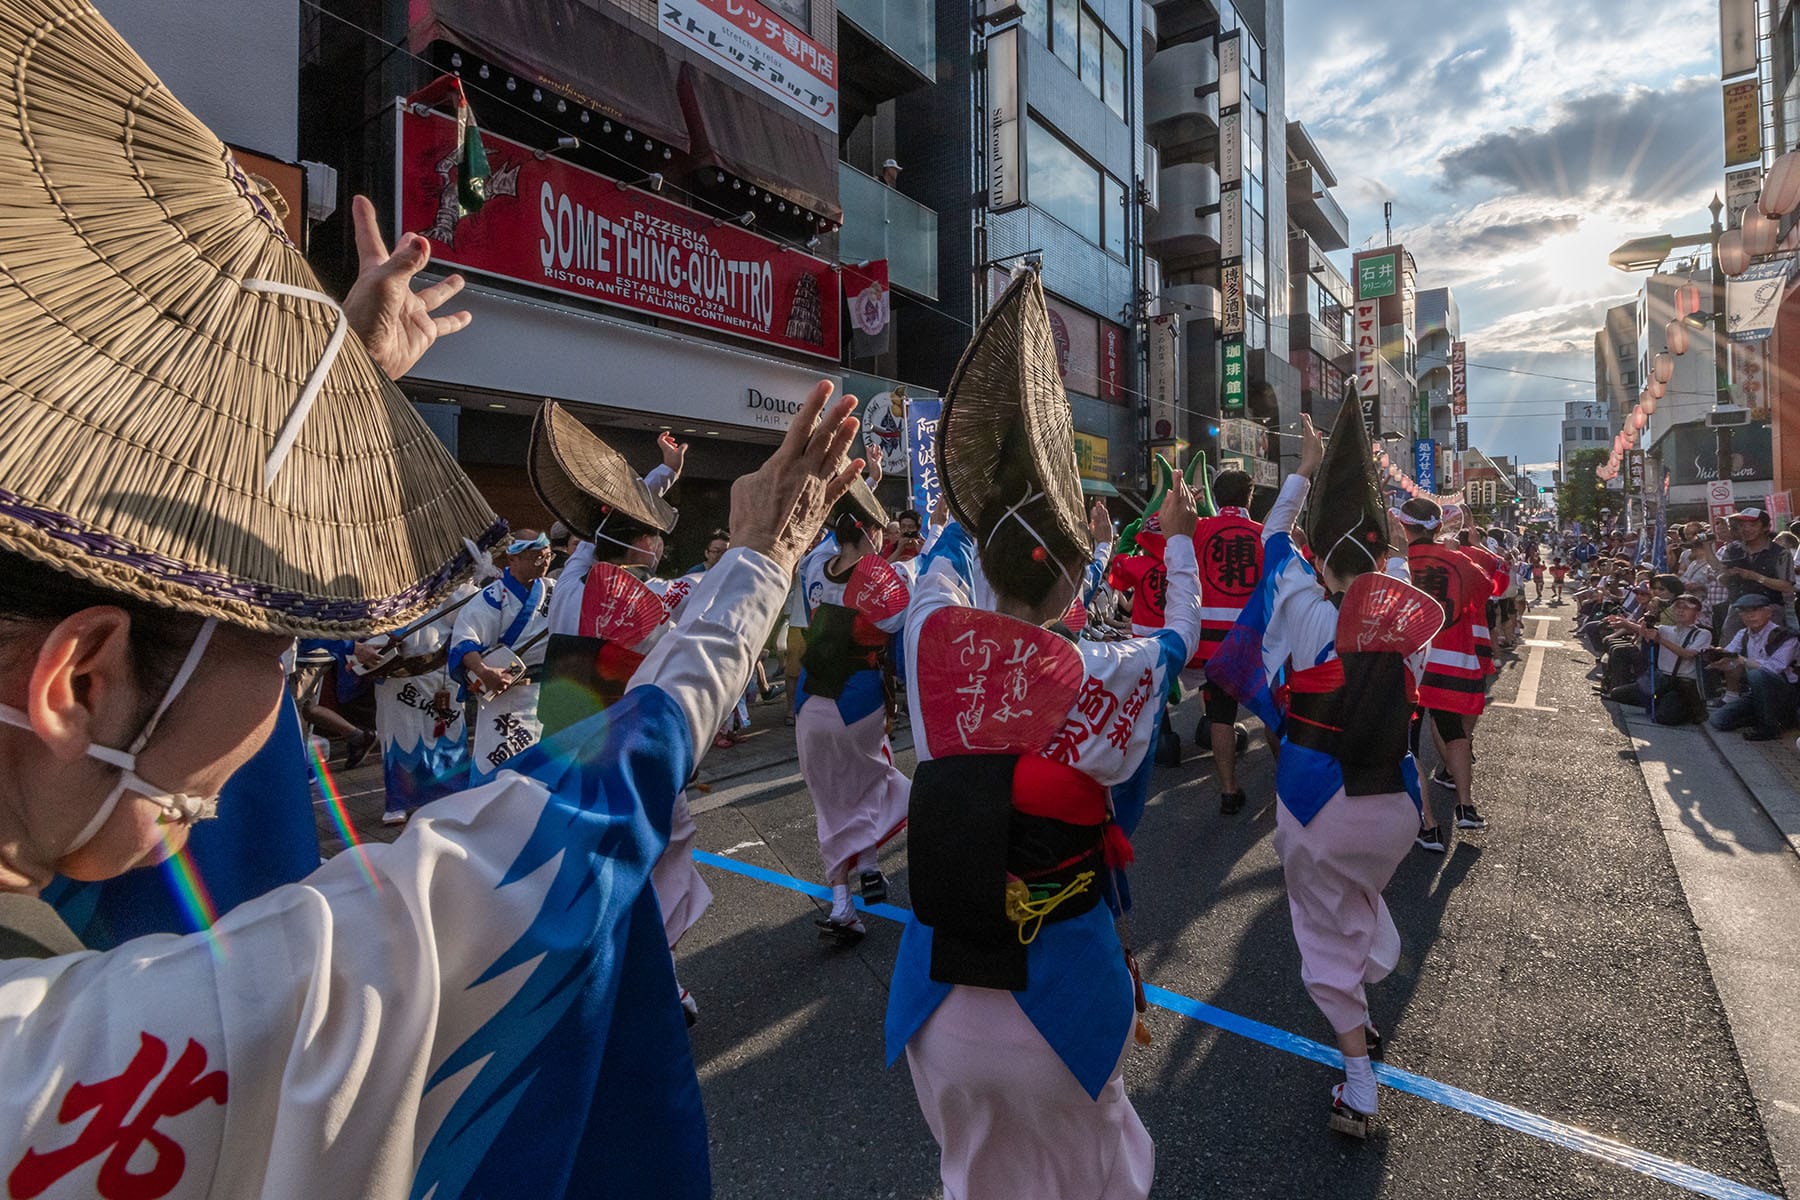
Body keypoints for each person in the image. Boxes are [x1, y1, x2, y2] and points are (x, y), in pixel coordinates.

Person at [0, 11, 867, 1191]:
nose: (302, 670)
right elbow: (542, 844)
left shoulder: (80, 827)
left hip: (505, 738)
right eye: (286, 636)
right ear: (77, 679)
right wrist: (760, 557)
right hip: (494, 748)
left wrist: (337, 391)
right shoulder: (121, 1047)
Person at [887, 270, 1199, 1198]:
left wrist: (976, 509)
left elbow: (943, 560)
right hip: (1061, 1001)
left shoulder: (928, 637)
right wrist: (1173, 537)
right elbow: (1181, 638)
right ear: (1075, 584)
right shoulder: (1118, 672)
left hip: (934, 1000)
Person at [1214, 398, 1440, 1137]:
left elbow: (1275, 536)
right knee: (1354, 905)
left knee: (1319, 938)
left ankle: (1359, 1081)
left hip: (1319, 804)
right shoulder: (1410, 618)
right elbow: (1390, 562)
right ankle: (1363, 990)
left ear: (1318, 551)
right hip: (1398, 803)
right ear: (1383, 553)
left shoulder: (1304, 602)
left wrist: (1307, 473)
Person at [794, 479, 912, 940]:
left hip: (810, 699)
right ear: (867, 531)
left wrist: (855, 495)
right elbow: (898, 627)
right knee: (870, 780)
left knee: (831, 799)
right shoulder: (889, 578)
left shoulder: (813, 568)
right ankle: (858, 881)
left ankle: (852, 885)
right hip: (858, 698)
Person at [352, 579, 480, 825]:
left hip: (437, 672)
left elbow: (468, 615)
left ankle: (452, 794)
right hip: (394, 674)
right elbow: (353, 629)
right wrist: (358, 648)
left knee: (446, 733)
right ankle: (399, 800)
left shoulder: (442, 581)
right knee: (399, 736)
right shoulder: (372, 585)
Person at [1405, 503, 1493, 851]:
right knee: (1453, 730)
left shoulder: (1394, 563)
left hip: (1409, 664)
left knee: (1408, 741)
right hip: (1451, 660)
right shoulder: (1459, 560)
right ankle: (1466, 805)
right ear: (1439, 525)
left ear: (1403, 525)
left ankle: (1427, 825)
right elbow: (1485, 590)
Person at [1188, 466, 1270, 814]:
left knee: (1220, 714)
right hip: (1257, 640)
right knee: (1273, 712)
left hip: (1213, 643)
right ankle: (1287, 786)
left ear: (1215, 498)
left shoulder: (1199, 530)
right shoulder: (1266, 534)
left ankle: (1228, 790)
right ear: (1250, 497)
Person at [449, 530, 556, 782]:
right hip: (504, 691)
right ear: (512, 560)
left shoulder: (555, 590)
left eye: (547, 557)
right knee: (499, 759)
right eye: (536, 558)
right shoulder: (491, 597)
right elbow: (465, 641)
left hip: (545, 693)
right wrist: (485, 672)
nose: (545, 563)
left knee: (539, 767)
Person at [1607, 595, 1711, 725]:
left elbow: (1688, 654)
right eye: (1678, 607)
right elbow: (1645, 632)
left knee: (1665, 718)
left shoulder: (1702, 633)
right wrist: (1630, 624)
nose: (1680, 611)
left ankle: (1687, 709)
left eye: (1686, 608)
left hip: (1682, 684)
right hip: (1660, 679)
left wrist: (1660, 640)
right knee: (1617, 694)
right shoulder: (1664, 629)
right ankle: (1658, 701)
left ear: (1697, 613)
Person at [1708, 594, 1800, 740]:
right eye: (1744, 611)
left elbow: (1773, 668)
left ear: (1768, 613)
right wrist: (1720, 661)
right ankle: (1763, 717)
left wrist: (1740, 660)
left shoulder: (1786, 636)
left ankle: (1769, 727)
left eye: (1755, 610)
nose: (1749, 615)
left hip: (1786, 693)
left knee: (1757, 674)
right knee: (1718, 720)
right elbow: (1732, 656)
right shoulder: (1743, 633)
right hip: (1757, 693)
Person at [1718, 508, 1795, 637]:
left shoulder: (1780, 553)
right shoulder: (1732, 549)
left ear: (1766, 527)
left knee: (1771, 649)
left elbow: (1787, 585)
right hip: (1738, 608)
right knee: (1730, 648)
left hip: (1769, 609)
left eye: (1753, 525)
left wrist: (1755, 576)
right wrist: (1726, 576)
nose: (1746, 529)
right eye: (1742, 525)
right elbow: (1723, 579)